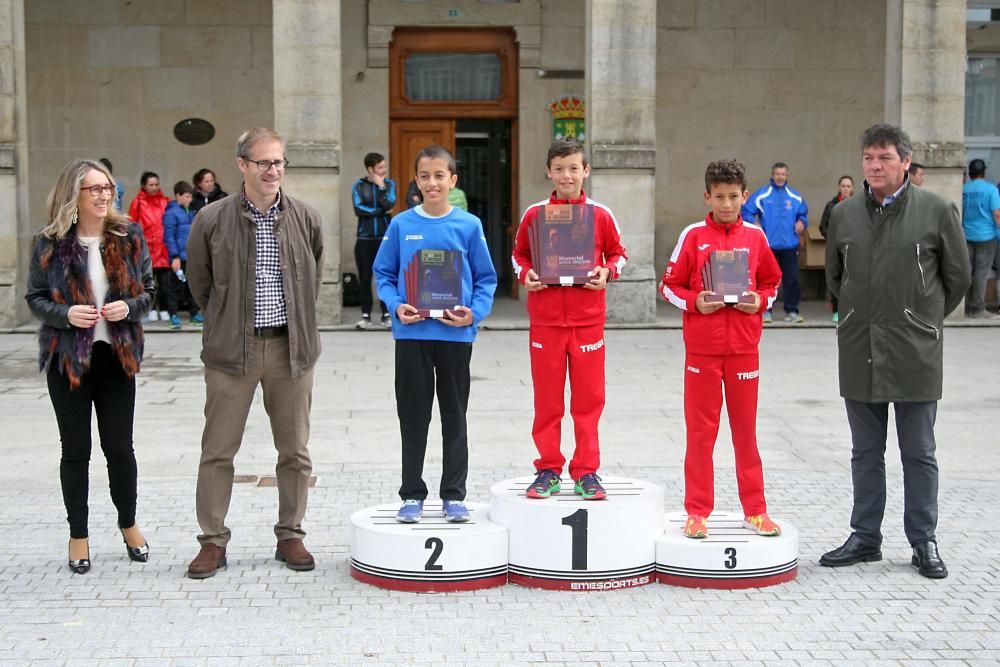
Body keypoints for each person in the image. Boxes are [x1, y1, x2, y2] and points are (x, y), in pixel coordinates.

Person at [822, 124, 970, 579]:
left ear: (905, 161)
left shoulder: (937, 210)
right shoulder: (845, 215)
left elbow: (958, 278)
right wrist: (854, 318)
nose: (874, 165)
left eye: (884, 157)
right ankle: (865, 537)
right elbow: (834, 278)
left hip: (914, 351)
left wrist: (921, 319)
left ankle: (923, 540)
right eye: (868, 157)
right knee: (865, 452)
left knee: (919, 452)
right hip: (860, 346)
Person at [185, 127, 324, 578]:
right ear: (242, 164)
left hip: (291, 350)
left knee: (295, 451)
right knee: (218, 451)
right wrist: (226, 322)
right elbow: (200, 284)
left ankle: (291, 534)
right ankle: (212, 541)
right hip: (231, 353)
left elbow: (314, 278)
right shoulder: (211, 219)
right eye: (264, 162)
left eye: (280, 161)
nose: (273, 170)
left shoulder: (306, 217)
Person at [25, 159, 154, 574]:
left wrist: (129, 307)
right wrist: (65, 316)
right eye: (94, 188)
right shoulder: (49, 243)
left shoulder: (128, 236)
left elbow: (150, 292)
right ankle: (78, 534)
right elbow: (35, 298)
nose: (104, 195)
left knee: (119, 447)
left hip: (117, 357)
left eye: (108, 187)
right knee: (75, 450)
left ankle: (128, 523)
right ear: (73, 195)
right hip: (68, 359)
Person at [659, 159, 783, 539]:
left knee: (746, 432)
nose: (726, 204)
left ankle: (756, 510)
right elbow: (669, 286)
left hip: (745, 349)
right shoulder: (693, 236)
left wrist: (758, 302)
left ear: (745, 196)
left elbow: (772, 283)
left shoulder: (757, 238)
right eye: (719, 196)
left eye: (733, 196)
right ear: (707, 196)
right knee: (701, 433)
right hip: (702, 351)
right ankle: (697, 511)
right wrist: (696, 302)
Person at [373, 145, 497, 523]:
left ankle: (454, 495)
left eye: (439, 175)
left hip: (455, 337)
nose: (432, 183)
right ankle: (412, 494)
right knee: (413, 417)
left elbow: (486, 278)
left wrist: (473, 315)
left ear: (453, 180)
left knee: (454, 416)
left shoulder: (469, 226)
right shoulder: (401, 225)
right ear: (416, 180)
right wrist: (396, 305)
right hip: (411, 335)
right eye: (425, 176)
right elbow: (384, 274)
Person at [511, 137, 628, 501]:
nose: (567, 175)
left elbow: (619, 254)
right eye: (559, 169)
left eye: (574, 168)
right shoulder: (534, 214)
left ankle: (586, 471)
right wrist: (525, 274)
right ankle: (547, 469)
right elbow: (520, 255)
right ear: (548, 171)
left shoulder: (600, 214)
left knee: (589, 401)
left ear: (586, 171)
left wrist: (608, 272)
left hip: (587, 321)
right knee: (547, 401)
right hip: (546, 321)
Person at [742, 162, 808, 323]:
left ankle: (791, 311)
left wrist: (802, 222)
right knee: (767, 281)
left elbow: (803, 214)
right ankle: (766, 311)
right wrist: (753, 223)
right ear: (772, 175)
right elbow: (746, 211)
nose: (780, 177)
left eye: (783, 174)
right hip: (768, 246)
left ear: (787, 175)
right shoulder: (762, 195)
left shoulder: (795, 196)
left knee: (792, 279)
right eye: (777, 174)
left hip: (790, 246)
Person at [352, 152, 396, 329]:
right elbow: (358, 209)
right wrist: (379, 211)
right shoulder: (358, 185)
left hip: (385, 238)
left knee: (385, 276)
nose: (383, 170)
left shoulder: (389, 184)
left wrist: (382, 188)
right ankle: (365, 315)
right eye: (380, 168)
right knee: (365, 277)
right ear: (370, 169)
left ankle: (386, 314)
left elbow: (390, 203)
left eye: (384, 167)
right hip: (364, 238)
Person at [128, 171, 170, 322]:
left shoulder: (166, 202)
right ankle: (151, 308)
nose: (154, 187)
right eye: (150, 185)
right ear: (144, 186)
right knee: (148, 283)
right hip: (146, 248)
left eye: (156, 184)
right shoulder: (137, 202)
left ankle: (164, 308)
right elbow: (132, 226)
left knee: (165, 284)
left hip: (163, 248)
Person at [961, 159, 1000, 319]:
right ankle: (977, 308)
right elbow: (996, 214)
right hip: (986, 236)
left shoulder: (963, 189)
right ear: (984, 172)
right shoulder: (990, 189)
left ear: (970, 173)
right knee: (981, 273)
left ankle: (967, 307)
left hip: (967, 235)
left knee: (968, 272)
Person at [162, 180, 203, 330]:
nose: (189, 199)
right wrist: (174, 256)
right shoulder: (171, 213)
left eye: (190, 196)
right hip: (179, 257)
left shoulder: (190, 213)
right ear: (178, 196)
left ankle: (194, 313)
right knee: (174, 287)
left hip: (190, 256)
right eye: (186, 196)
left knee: (191, 287)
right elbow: (169, 237)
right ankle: (173, 314)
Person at [819, 175, 855, 323]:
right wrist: (834, 239)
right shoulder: (831, 205)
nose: (845, 189)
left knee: (852, 278)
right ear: (839, 187)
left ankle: (852, 308)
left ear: (852, 188)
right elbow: (823, 226)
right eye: (843, 186)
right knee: (836, 277)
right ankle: (837, 310)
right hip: (836, 249)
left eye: (848, 186)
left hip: (853, 249)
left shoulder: (858, 205)